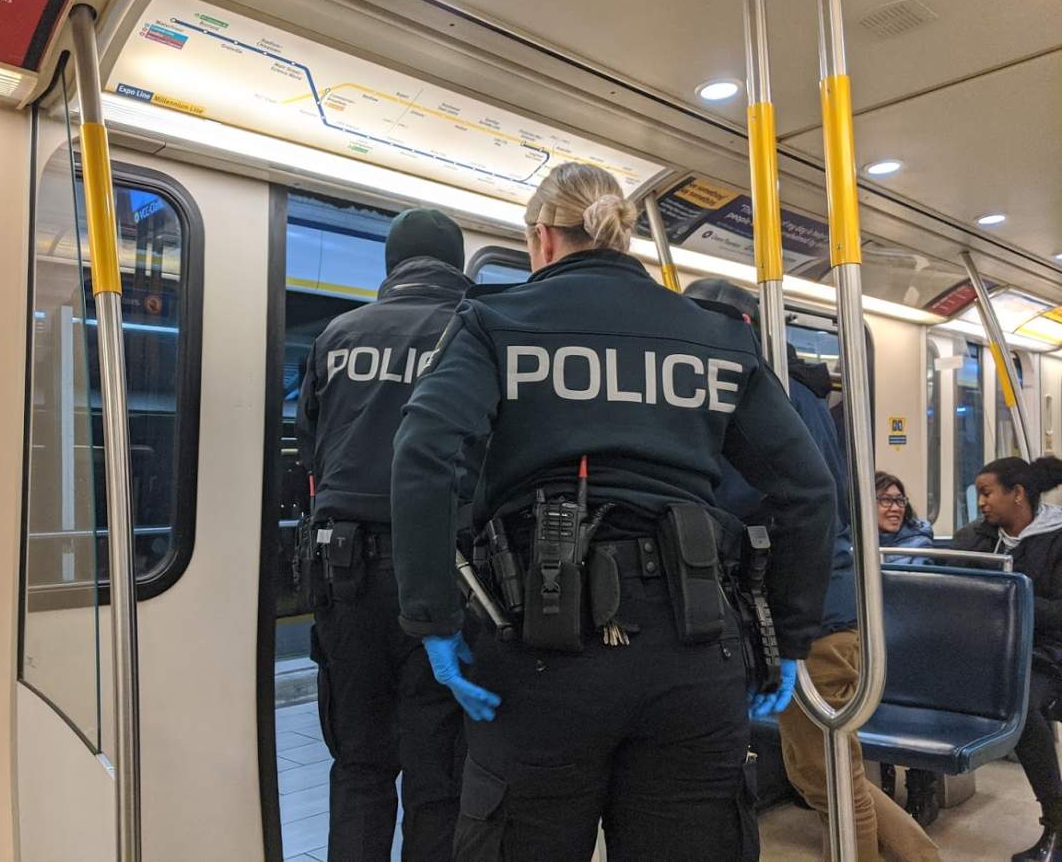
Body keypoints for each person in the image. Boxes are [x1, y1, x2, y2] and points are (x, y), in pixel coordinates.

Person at [390, 161, 838, 861]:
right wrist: (790, 633)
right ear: (621, 235)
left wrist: (435, 622)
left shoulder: (494, 322)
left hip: (540, 645)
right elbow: (809, 490)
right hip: (695, 644)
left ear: (542, 237)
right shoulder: (717, 337)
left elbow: (424, 454)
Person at [684, 280, 942, 862]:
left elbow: (748, 501)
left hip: (811, 612)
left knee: (827, 777)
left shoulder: (760, 395)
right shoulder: (798, 391)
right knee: (827, 771)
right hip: (827, 600)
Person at [295, 207, 473, 862]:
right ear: (458, 263)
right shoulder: (474, 331)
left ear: (391, 265)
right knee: (438, 777)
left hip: (343, 574)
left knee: (361, 766)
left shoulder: (337, 336)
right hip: (445, 573)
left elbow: (312, 450)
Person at [951, 456, 1062, 862]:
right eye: (978, 494)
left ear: (1017, 494)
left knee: (1022, 704)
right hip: (991, 651)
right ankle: (923, 792)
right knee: (934, 681)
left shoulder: (1057, 539)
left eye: (987, 493)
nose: (981, 502)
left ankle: (1057, 821)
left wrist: (1012, 599)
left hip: (1047, 653)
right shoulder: (977, 538)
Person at [876, 471, 935, 566]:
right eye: (886, 500)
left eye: (900, 500)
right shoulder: (853, 543)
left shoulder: (919, 545)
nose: (896, 508)